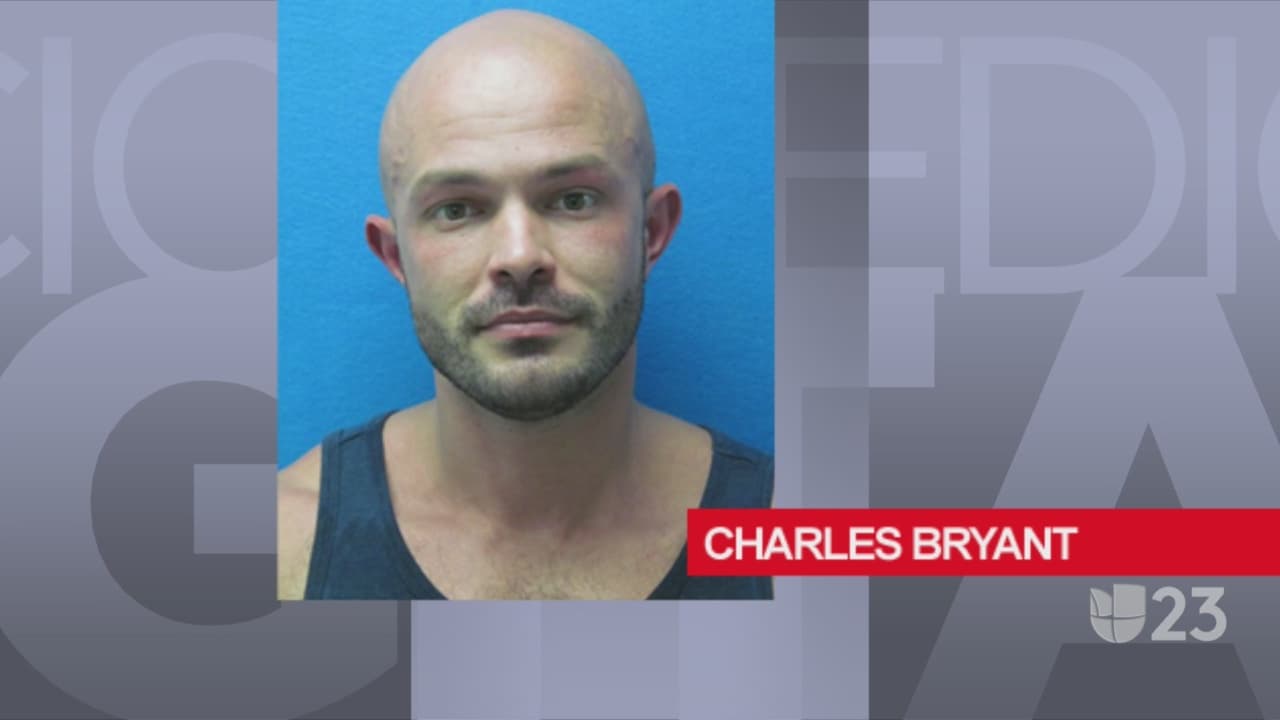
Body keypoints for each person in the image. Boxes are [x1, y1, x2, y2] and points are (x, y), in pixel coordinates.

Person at [277, 9, 773, 600]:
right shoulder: (281, 545)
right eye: (457, 209)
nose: (519, 256)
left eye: (573, 199)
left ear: (652, 232)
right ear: (395, 255)